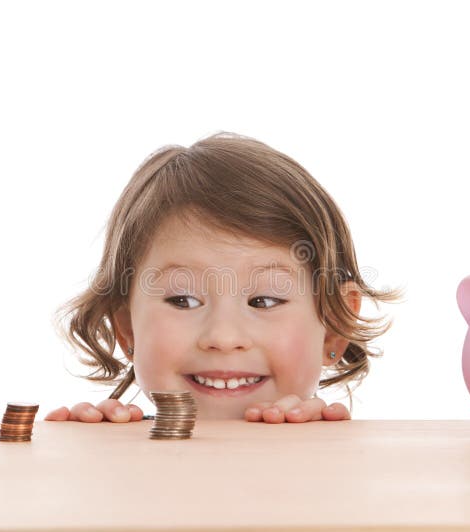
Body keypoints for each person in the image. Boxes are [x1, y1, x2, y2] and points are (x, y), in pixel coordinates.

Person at [45, 131, 403, 424]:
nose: (223, 338)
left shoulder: (342, 462)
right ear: (127, 330)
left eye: (264, 300)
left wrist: (324, 452)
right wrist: (90, 459)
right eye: (182, 300)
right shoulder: (109, 453)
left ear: (334, 327)